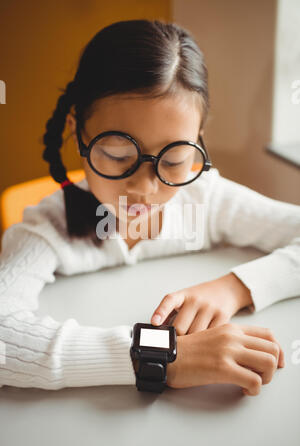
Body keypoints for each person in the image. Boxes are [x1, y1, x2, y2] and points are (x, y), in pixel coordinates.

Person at [0, 19, 299, 396]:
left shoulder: (207, 200)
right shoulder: (48, 227)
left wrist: (234, 288)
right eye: (118, 154)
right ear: (78, 133)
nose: (144, 187)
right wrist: (162, 358)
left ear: (198, 141)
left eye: (174, 159)